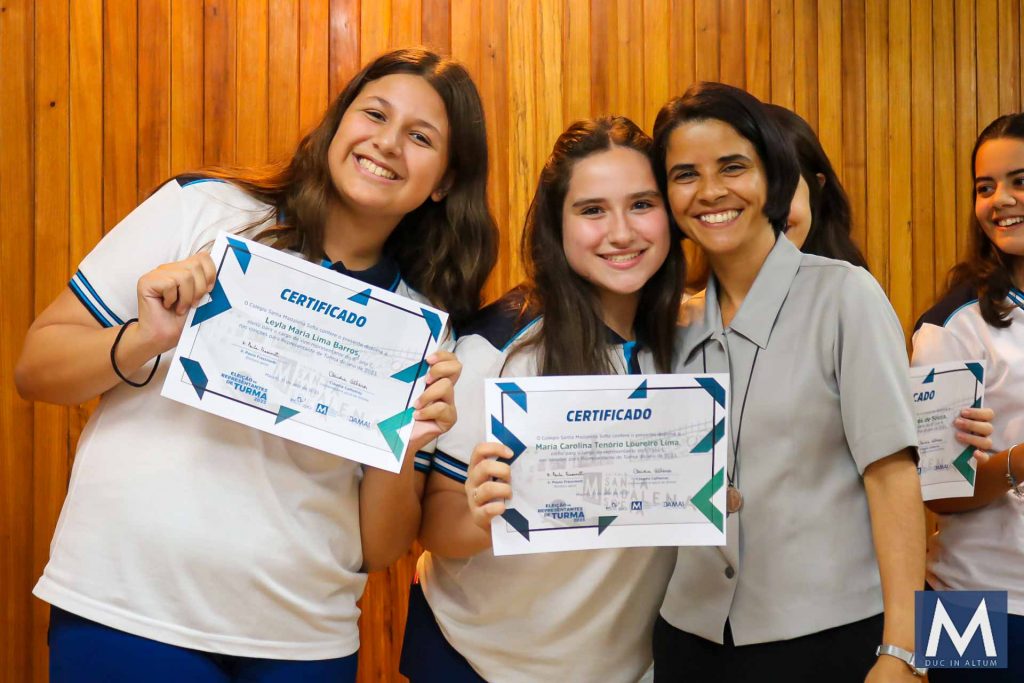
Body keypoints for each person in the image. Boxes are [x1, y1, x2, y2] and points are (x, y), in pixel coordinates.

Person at [15, 48, 496, 682]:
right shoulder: (207, 210)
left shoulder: (422, 323)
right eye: (374, 114)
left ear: (443, 182)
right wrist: (144, 339)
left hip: (305, 639)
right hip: (130, 608)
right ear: (338, 123)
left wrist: (404, 442)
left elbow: (379, 549)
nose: (387, 143)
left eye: (420, 137)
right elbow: (35, 368)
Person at [650, 82, 926, 681]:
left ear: (773, 176)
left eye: (733, 167)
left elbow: (893, 477)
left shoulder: (844, 295)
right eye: (685, 174)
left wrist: (905, 652)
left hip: (829, 638)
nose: (710, 191)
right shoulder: (672, 324)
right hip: (689, 637)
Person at [400, 117, 685, 682]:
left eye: (641, 205)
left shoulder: (694, 340)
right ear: (557, 225)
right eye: (592, 210)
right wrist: (481, 515)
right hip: (474, 660)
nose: (621, 232)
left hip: (623, 668)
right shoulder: (498, 346)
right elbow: (436, 527)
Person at [911, 112, 1024, 682]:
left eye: (1019, 181)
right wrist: (1019, 461)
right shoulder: (950, 326)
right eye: (985, 187)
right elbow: (937, 494)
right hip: (968, 598)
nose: (1000, 200)